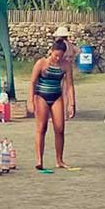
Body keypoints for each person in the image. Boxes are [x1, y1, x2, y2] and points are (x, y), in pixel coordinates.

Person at [28, 39, 75, 170]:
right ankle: (39, 160)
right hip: (41, 96)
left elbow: (69, 85)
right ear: (51, 51)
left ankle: (59, 160)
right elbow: (32, 82)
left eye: (61, 56)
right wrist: (31, 101)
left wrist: (72, 103)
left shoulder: (65, 65)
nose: (58, 58)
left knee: (60, 129)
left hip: (56, 96)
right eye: (56, 55)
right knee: (41, 128)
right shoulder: (41, 63)